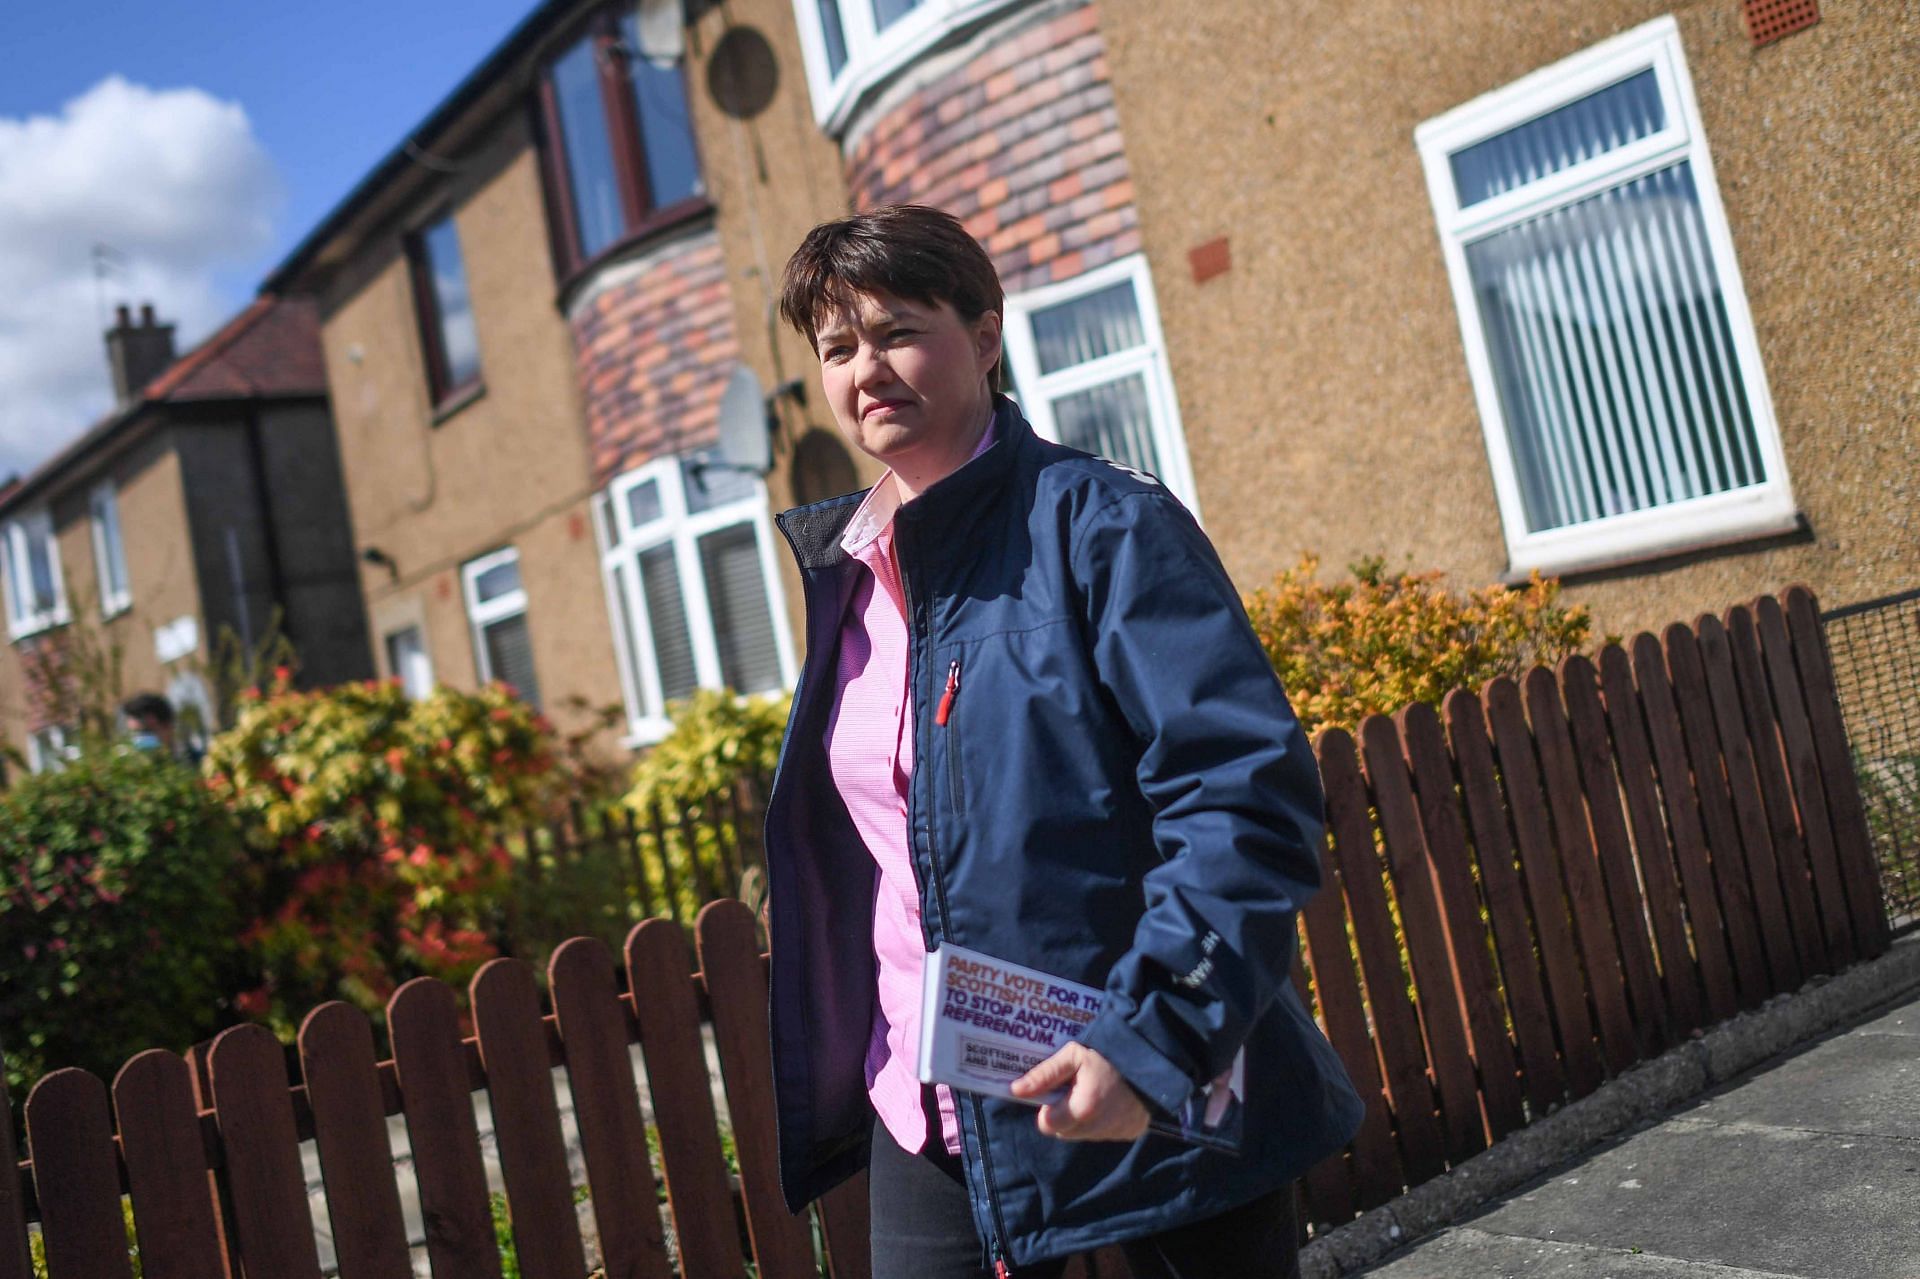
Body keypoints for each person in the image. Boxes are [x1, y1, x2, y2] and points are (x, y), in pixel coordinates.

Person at [763, 205, 1363, 1279]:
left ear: (985, 338)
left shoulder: (1103, 525)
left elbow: (1245, 798)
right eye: (838, 347)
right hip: (929, 1099)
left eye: (899, 329)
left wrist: (1154, 1042)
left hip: (1143, 1086)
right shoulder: (845, 575)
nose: (868, 370)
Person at [121, 692, 177, 756]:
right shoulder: (125, 760)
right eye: (133, 734)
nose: (139, 740)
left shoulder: (186, 760)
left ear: (168, 727)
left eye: (146, 732)